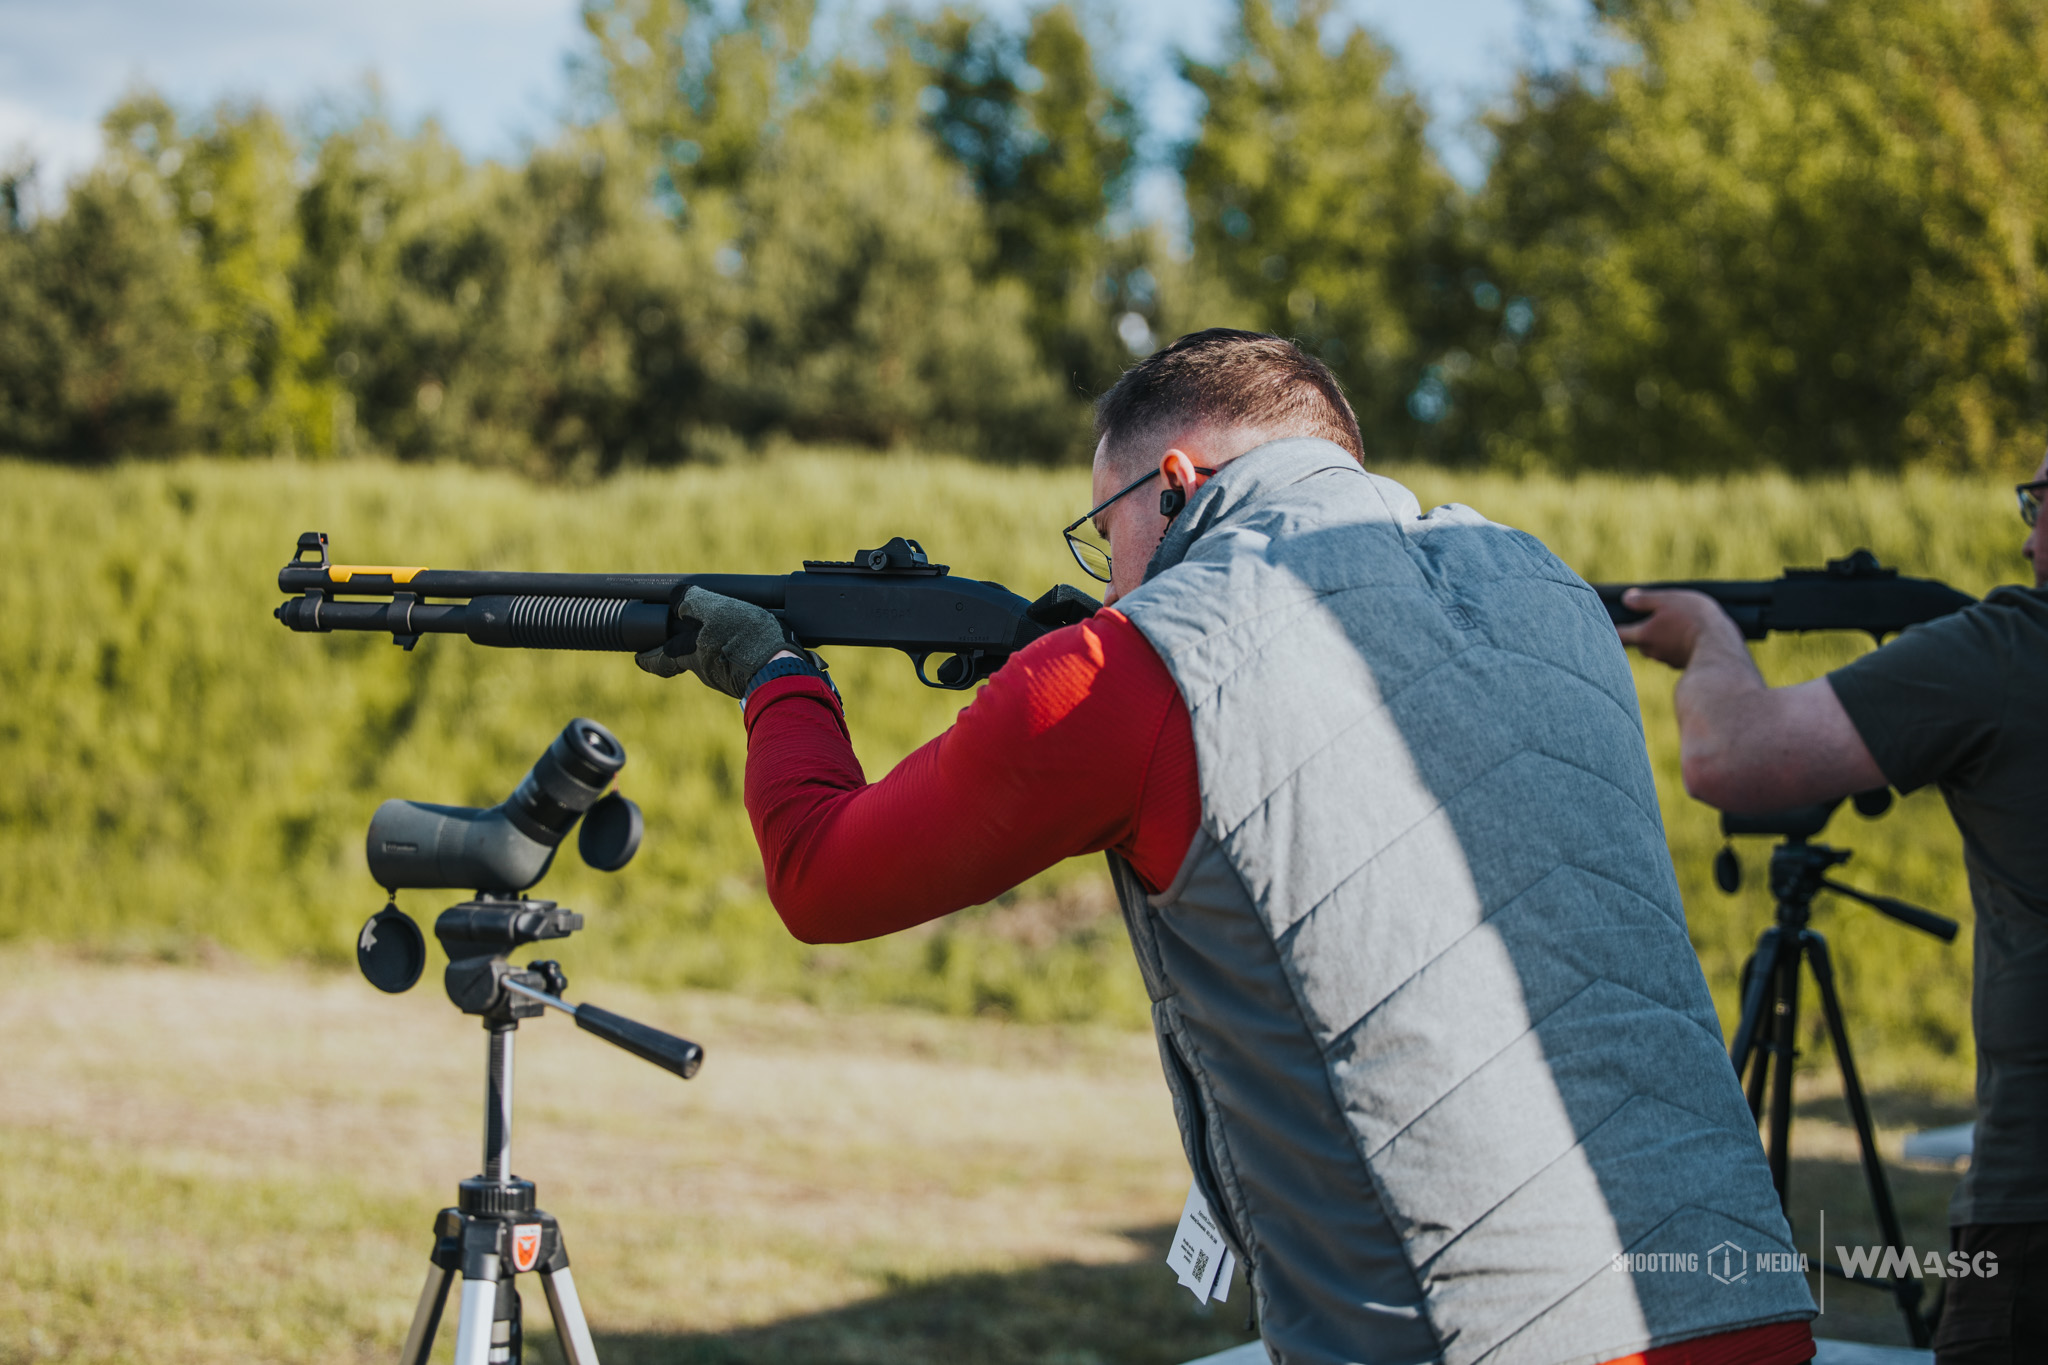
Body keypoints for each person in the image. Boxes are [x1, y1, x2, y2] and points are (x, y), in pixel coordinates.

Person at [641, 330, 1816, 1365]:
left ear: (1174, 482)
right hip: (1736, 1292)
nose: (1110, 578)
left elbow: (824, 878)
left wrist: (777, 680)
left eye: (1104, 533)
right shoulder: (1546, 590)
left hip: (1467, 1331)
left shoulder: (1128, 664)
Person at [1618, 454, 2048, 1365]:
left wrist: (1710, 638)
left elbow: (1731, 755)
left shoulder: (2012, 650)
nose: (2025, 537)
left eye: (2038, 503)